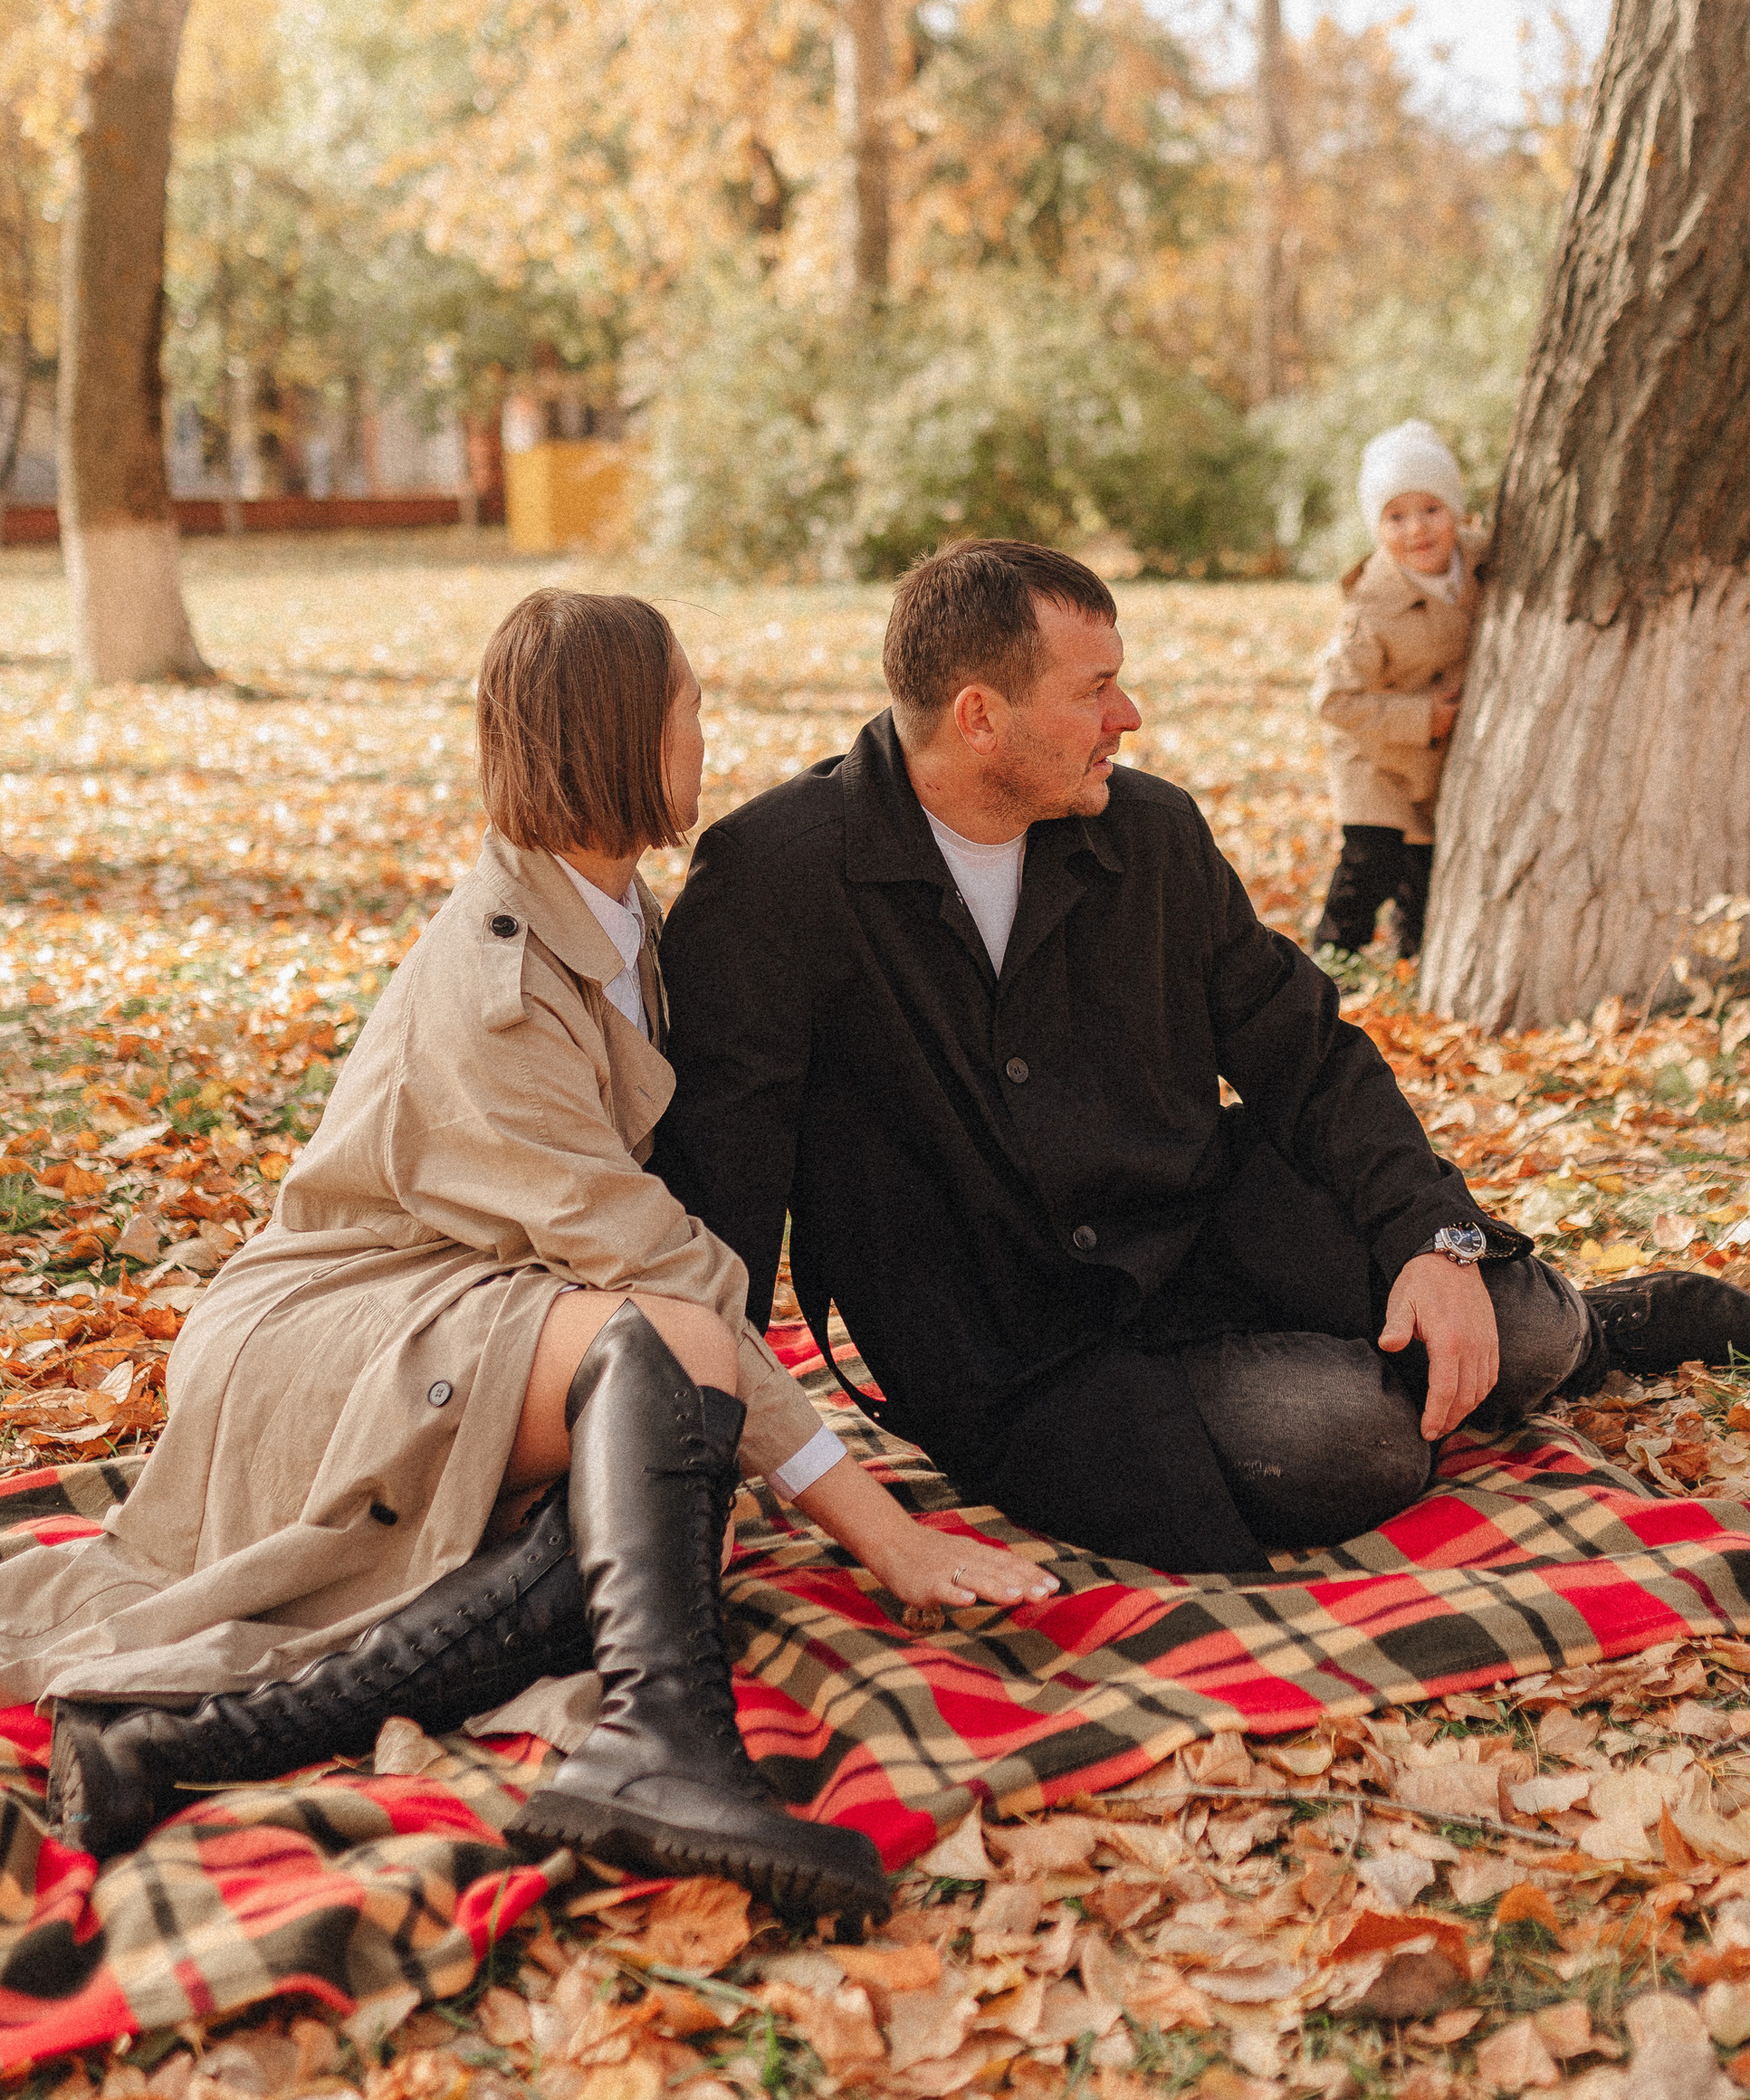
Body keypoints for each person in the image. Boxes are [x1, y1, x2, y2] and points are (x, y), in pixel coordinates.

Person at [23, 589, 1051, 1914]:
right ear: (622, 737)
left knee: (633, 1524)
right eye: (688, 710)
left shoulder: (619, 918)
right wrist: (884, 1534)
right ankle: (667, 1749)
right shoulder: (496, 989)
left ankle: (180, 1747)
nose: (705, 735)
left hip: (473, 1301)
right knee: (673, 1353)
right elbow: (660, 1272)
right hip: (322, 1336)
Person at [655, 539, 1750, 1575]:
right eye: (1094, 690)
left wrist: (1431, 1242)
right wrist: (703, 1460)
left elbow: (1307, 1056)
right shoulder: (773, 879)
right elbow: (725, 1192)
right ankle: (1373, 1372)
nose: (1127, 716)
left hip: (1206, 1232)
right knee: (1353, 1442)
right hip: (1013, 1346)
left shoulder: (1150, 833)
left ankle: (1582, 1330)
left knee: (1518, 1325)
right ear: (980, 717)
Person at [1311, 418, 1487, 962]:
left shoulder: (1479, 559)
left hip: (1432, 761)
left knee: (1424, 875)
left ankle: (1412, 964)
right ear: (1376, 526)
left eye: (1432, 509)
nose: (1417, 530)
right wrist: (1423, 717)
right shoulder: (1371, 607)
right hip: (1375, 756)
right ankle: (1333, 961)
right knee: (1369, 863)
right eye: (1395, 516)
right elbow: (1333, 699)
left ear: (1456, 510)